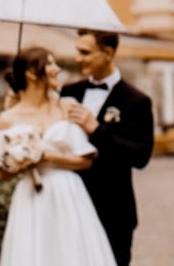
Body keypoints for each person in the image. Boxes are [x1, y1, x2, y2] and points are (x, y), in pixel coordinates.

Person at [0, 48, 117, 266]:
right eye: (50, 64)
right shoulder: (8, 118)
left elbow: (86, 161)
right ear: (32, 73)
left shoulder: (67, 106)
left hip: (69, 193)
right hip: (31, 195)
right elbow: (2, 174)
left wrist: (45, 157)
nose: (57, 69)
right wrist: (20, 158)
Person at [59, 30, 156, 266]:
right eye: (77, 52)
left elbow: (140, 156)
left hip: (114, 212)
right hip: (71, 206)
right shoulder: (68, 93)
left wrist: (96, 130)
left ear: (108, 53)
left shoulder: (136, 101)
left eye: (85, 52)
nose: (79, 58)